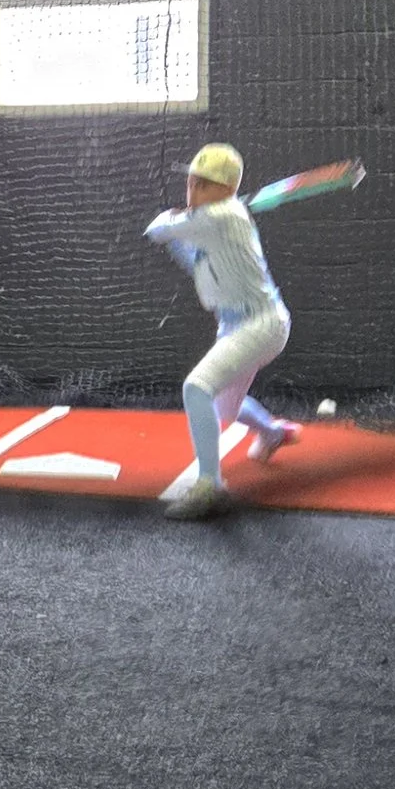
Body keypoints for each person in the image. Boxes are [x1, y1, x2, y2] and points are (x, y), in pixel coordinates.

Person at [144, 143, 302, 519]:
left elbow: (156, 231)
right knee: (221, 408)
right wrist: (175, 229)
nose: (192, 190)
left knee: (196, 387)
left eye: (203, 184)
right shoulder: (214, 222)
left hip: (260, 323)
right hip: (237, 325)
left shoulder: (224, 217)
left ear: (225, 188)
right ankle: (272, 432)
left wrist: (168, 220)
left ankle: (209, 486)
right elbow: (191, 258)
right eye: (192, 183)